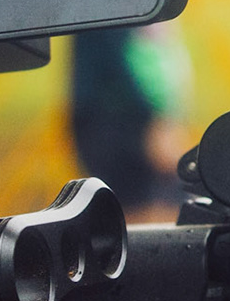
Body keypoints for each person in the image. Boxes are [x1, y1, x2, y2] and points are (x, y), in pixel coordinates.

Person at [68, 23, 190, 224]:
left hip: (132, 119)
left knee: (162, 199)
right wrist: (154, 120)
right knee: (141, 206)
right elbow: (116, 64)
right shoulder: (110, 22)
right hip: (120, 121)